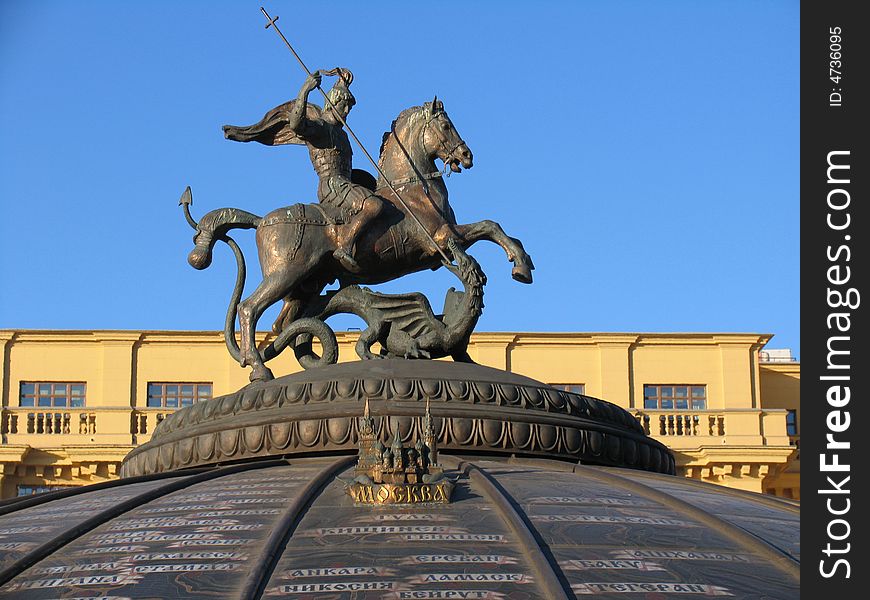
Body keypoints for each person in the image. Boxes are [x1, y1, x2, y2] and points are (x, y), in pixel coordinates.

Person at [223, 68, 382, 273]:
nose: (346, 111)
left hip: (346, 183)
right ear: (333, 102)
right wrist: (305, 90)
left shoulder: (342, 135)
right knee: (374, 206)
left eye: (349, 108)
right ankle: (345, 245)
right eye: (344, 105)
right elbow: (297, 124)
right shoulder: (320, 127)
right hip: (333, 186)